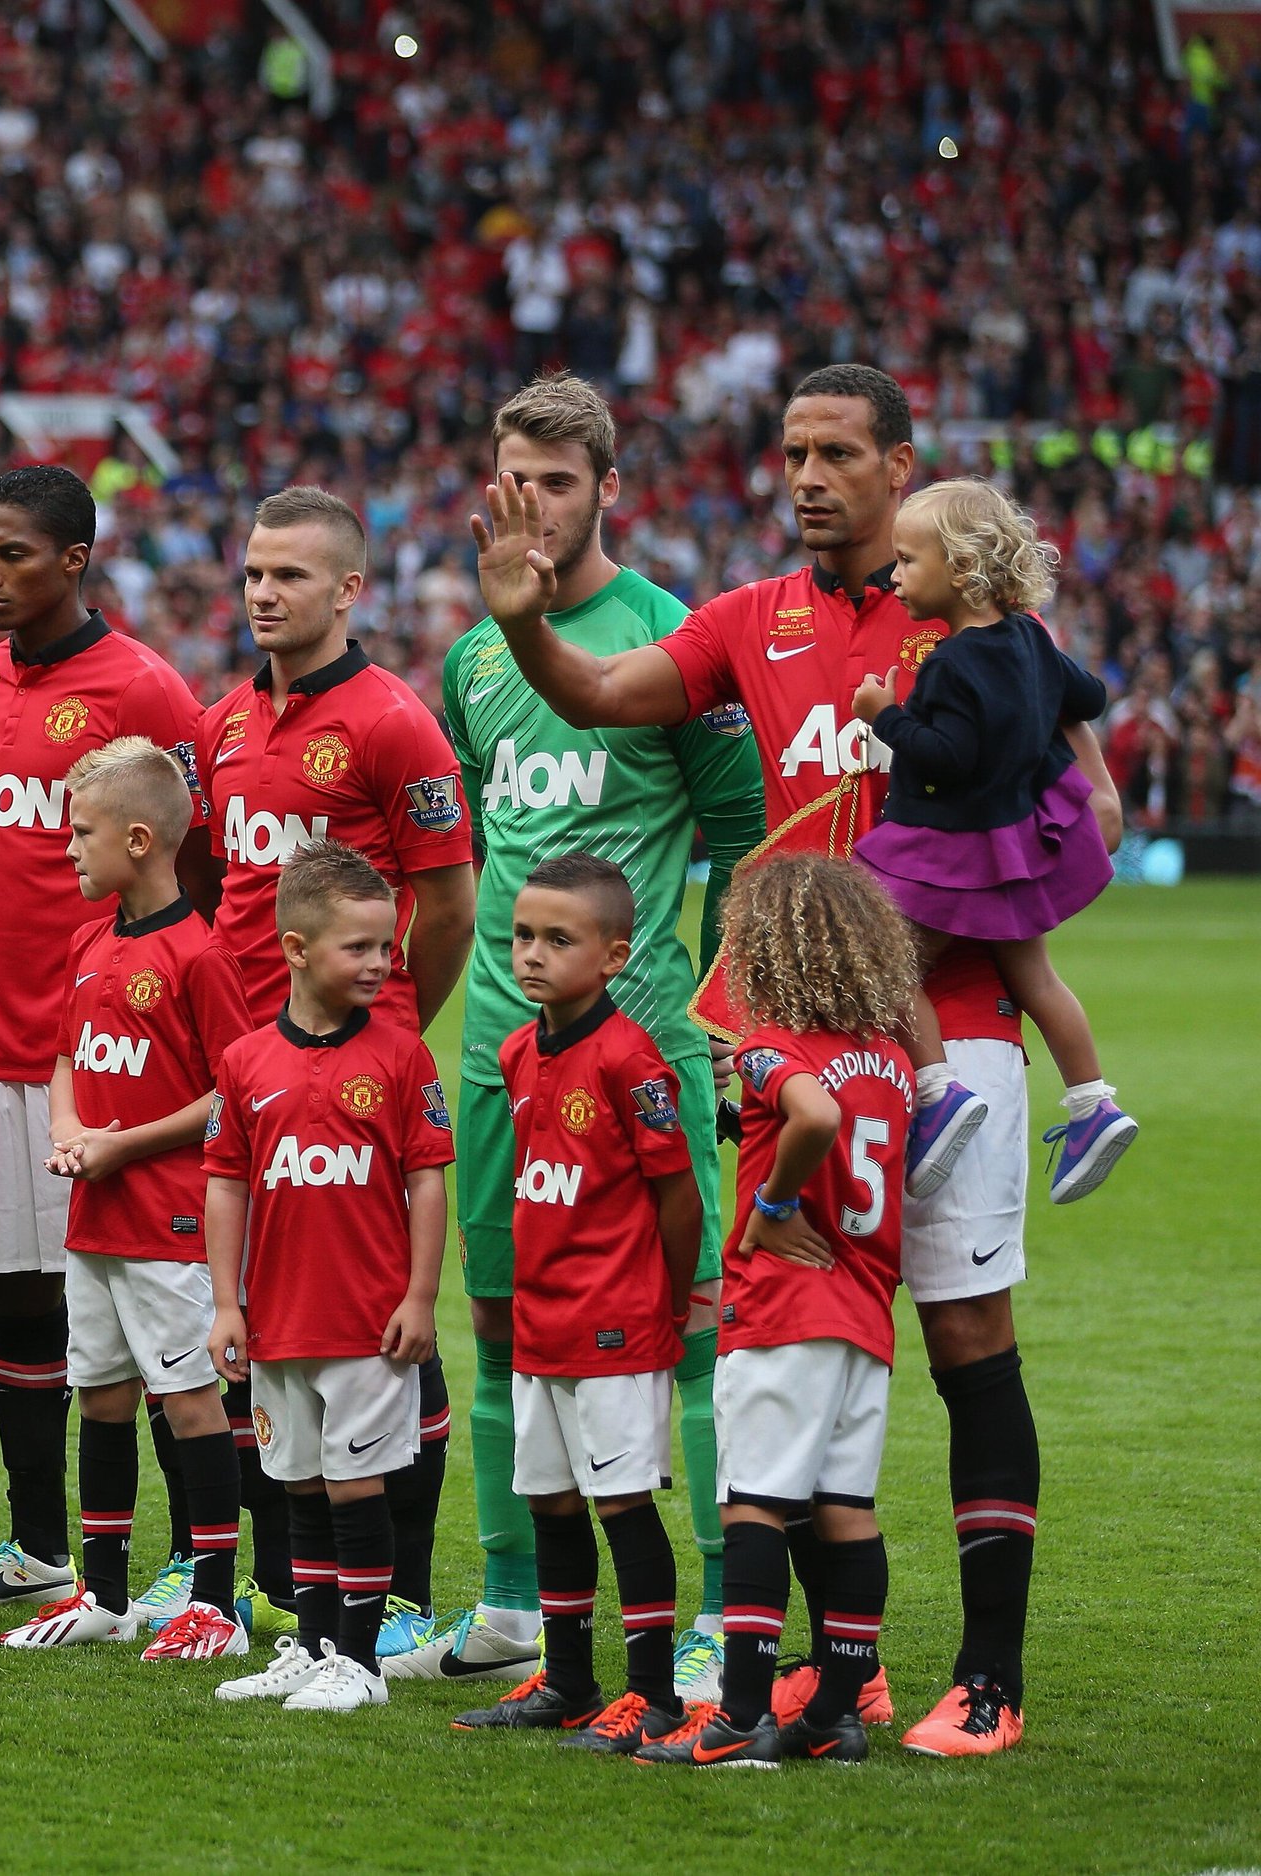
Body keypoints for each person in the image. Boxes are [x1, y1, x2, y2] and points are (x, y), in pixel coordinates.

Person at [474, 363, 1123, 1753]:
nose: (810, 478)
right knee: (802, 1344)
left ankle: (991, 1678)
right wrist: (526, 630)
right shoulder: (747, 622)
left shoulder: (968, 619)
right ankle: (848, 1674)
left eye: (837, 453)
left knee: (964, 1342)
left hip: (953, 1042)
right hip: (776, 1054)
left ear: (902, 464)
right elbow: (593, 691)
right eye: (791, 454)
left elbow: (1099, 803)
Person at [433, 374, 765, 1695]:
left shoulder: (672, 643)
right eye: (517, 481)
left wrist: (729, 1016)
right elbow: (476, 848)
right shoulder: (473, 658)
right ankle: (517, 1596)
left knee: (680, 1328)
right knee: (504, 1322)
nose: (536, 507)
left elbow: (743, 844)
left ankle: (716, 1616)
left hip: (644, 1050)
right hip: (498, 1057)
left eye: (560, 483)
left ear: (608, 490)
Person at [197, 485, 475, 1657]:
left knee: (381, 1323)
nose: (264, 592)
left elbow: (450, 901)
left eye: (290, 576)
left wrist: (394, 1026)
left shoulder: (393, 721)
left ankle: (397, 1592)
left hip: (357, 1071)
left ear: (348, 589)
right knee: (258, 1318)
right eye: (254, 572)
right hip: (250, 1072)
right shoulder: (218, 724)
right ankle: (294, 1596)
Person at [0, 465, 208, 1611]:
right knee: (17, 1312)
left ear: (74, 560)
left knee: (140, 1325)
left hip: (107, 1070)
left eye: (12, 556)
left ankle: (194, 1564)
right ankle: (41, 1547)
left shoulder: (146, 690)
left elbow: (198, 868)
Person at [635, 855, 915, 1768]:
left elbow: (815, 1118)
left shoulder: (773, 1048)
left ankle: (741, 1717)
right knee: (844, 1507)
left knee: (753, 1501)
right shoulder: (891, 1055)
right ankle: (834, 1713)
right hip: (865, 1312)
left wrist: (775, 1207)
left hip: (785, 1307)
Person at [0, 737, 251, 1659]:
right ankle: (101, 1594)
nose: (66, 848)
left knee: (189, 1404)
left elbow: (233, 1094)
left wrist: (121, 1145)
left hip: (171, 1221)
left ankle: (217, 1606)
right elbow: (66, 1055)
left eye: (81, 833)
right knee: (100, 1396)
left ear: (140, 840)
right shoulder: (88, 941)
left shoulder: (200, 955)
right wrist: (69, 1132)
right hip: (95, 1217)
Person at [451, 853, 699, 1750]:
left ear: (614, 955)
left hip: (615, 1325)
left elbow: (678, 1196)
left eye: (559, 939)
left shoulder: (632, 1060)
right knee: (551, 1501)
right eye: (522, 935)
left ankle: (654, 1694)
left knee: (622, 1503)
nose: (532, 955)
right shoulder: (518, 1052)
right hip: (540, 1322)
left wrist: (667, 1303)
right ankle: (568, 1680)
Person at [204, 841, 452, 1713]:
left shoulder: (402, 1056)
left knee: (354, 1489)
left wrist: (419, 1297)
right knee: (298, 1484)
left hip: (367, 1325)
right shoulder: (244, 1063)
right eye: (359, 947)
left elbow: (427, 1180)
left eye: (386, 946)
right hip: (278, 1320)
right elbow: (226, 1185)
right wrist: (227, 1303)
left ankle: (361, 1664)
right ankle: (311, 1648)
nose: (381, 963)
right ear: (298, 949)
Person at [853, 478, 1136, 1203]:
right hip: (1017, 849)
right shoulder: (1030, 641)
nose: (894, 577)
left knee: (893, 970)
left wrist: (885, 715)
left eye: (909, 561)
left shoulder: (949, 662)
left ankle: (937, 1092)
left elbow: (945, 754)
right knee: (1037, 978)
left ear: (962, 568)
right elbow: (1093, 699)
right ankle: (1092, 1103)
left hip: (951, 853)